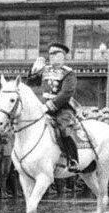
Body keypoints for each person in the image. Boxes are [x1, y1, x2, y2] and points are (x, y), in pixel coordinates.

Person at [27, 42, 80, 173]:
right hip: (44, 107)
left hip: (63, 108)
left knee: (63, 129)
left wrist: (49, 106)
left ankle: (73, 159)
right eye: (50, 54)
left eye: (56, 54)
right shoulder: (45, 70)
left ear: (63, 56)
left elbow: (66, 93)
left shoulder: (68, 73)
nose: (52, 56)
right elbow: (31, 84)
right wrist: (33, 72)